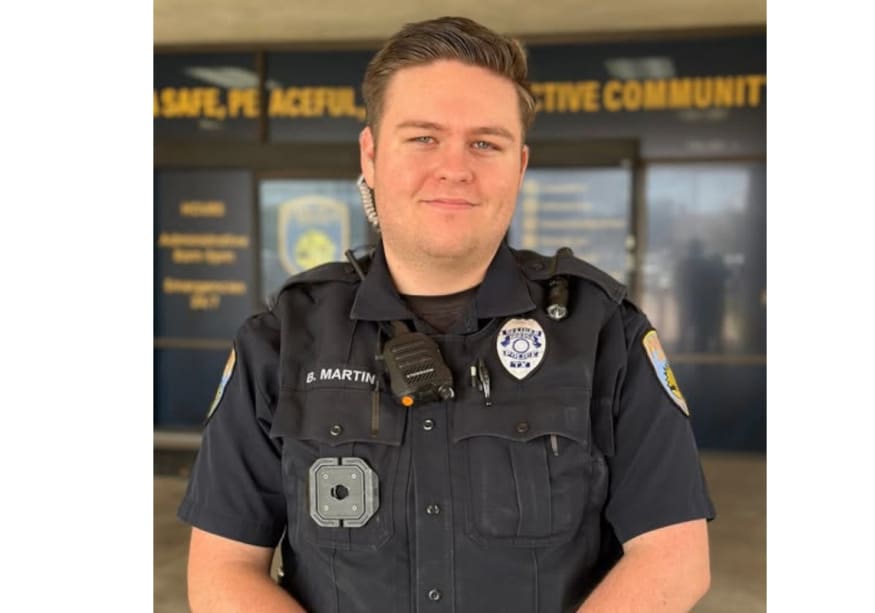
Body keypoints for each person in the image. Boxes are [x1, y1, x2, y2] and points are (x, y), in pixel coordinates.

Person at [179, 16, 715, 612]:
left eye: (486, 142)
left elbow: (673, 557)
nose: (455, 167)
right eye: (424, 137)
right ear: (372, 154)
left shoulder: (602, 332)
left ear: (520, 165)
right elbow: (223, 571)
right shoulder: (282, 340)